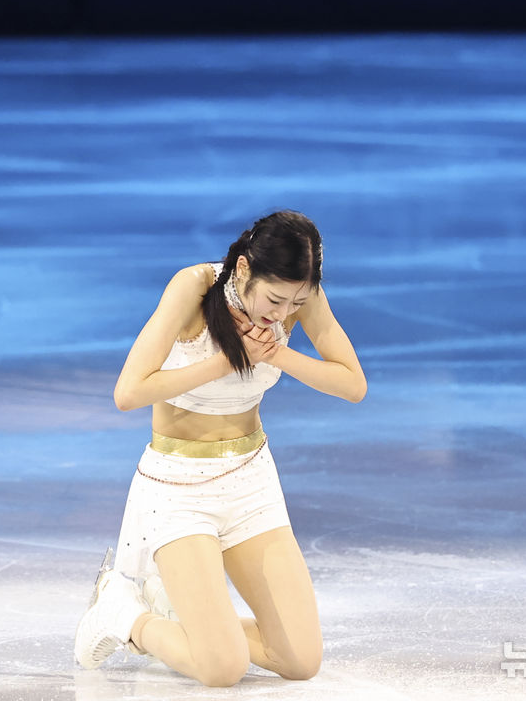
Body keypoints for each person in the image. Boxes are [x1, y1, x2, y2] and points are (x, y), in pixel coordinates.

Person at [74, 209, 366, 686]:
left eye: (297, 302)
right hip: (178, 487)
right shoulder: (192, 288)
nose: (284, 313)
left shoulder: (298, 295)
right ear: (245, 270)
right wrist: (230, 361)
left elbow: (353, 384)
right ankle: (125, 616)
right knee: (222, 667)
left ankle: (197, 627)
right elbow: (129, 392)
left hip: (251, 481)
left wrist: (278, 352)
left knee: (299, 660)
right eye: (275, 300)